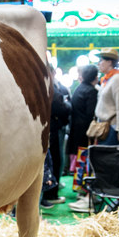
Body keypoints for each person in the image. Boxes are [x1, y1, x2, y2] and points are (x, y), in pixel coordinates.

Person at [43, 77, 71, 205]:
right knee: (52, 162)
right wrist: (66, 105)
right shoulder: (49, 86)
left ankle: (47, 194)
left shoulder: (50, 85)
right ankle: (48, 194)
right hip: (50, 129)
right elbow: (60, 108)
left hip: (48, 128)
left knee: (50, 163)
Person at [66, 64, 99, 170]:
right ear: (95, 77)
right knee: (84, 156)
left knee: (79, 155)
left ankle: (78, 181)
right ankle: (83, 181)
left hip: (75, 127)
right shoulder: (91, 91)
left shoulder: (79, 88)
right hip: (85, 129)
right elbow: (91, 113)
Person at [93, 49, 119, 145]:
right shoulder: (107, 79)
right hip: (103, 126)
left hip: (112, 127)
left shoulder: (118, 79)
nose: (98, 63)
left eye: (101, 60)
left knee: (109, 158)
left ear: (109, 62)